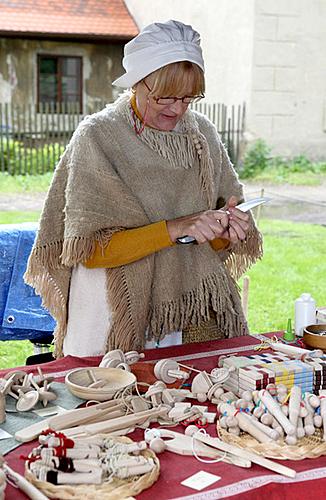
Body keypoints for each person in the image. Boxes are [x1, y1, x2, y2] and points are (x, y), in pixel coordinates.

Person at [25, 20, 262, 358]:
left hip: (181, 314)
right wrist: (177, 227)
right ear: (138, 82)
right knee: (106, 401)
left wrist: (228, 229)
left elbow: (212, 237)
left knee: (179, 399)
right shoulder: (98, 137)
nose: (177, 109)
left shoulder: (202, 136)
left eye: (188, 98)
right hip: (110, 308)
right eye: (164, 96)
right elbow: (89, 249)